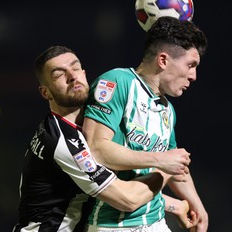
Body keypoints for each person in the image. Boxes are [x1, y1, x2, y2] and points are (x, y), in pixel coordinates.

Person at [12, 45, 193, 232]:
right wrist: (166, 167)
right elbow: (127, 199)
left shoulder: (91, 126)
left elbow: (101, 194)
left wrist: (173, 205)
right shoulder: (64, 141)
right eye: (59, 74)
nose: (72, 76)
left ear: (84, 72)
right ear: (45, 92)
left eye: (75, 68)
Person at [83, 16, 209, 232]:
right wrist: (161, 160)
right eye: (190, 65)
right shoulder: (117, 82)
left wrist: (198, 206)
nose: (194, 76)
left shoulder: (167, 109)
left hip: (156, 221)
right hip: (113, 225)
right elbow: (96, 149)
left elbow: (174, 164)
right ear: (163, 60)